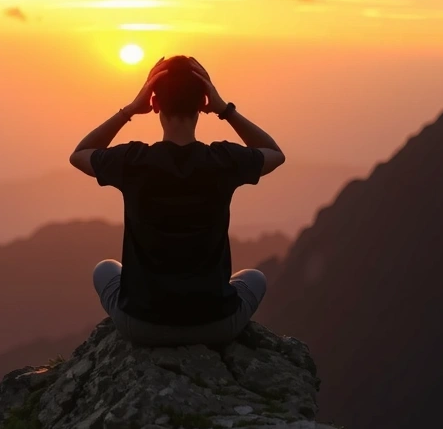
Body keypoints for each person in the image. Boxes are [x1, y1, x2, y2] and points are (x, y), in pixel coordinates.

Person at [68, 55, 285, 346]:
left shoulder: (134, 161)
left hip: (143, 326)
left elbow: (80, 154)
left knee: (105, 269)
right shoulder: (222, 161)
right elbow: (273, 153)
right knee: (254, 278)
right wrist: (224, 109)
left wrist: (131, 109)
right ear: (202, 104)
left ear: (155, 104)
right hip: (215, 325)